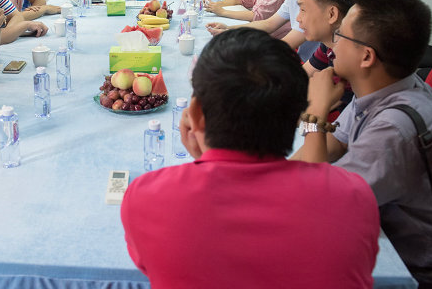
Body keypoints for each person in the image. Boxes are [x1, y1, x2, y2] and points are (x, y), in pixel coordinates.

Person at [121, 28, 380, 289]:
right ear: (298, 113)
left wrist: (207, 157)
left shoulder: (147, 197)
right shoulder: (355, 199)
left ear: (196, 115)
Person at [292, 0, 432, 282]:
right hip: (394, 227)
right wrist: (278, 177)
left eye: (341, 36)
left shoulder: (395, 127)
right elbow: (334, 144)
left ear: (366, 56)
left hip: (427, 269)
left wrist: (315, 112)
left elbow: (320, 203)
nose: (334, 44)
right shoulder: (383, 85)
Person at [296, 0, 359, 113]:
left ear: (332, 14)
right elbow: (300, 77)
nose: (298, 18)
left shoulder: (355, 60)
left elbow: (317, 111)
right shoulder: (329, 45)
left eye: (303, 10)